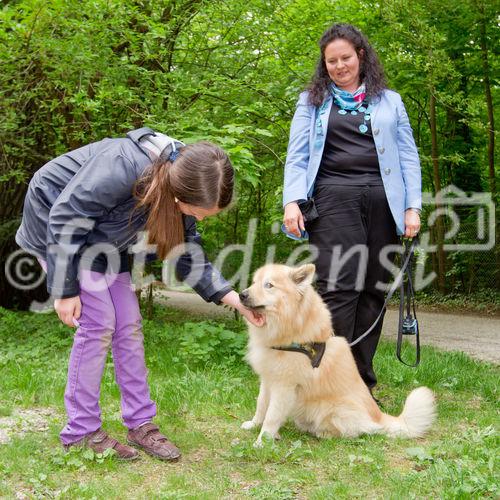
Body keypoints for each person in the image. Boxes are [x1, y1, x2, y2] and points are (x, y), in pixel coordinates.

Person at [16, 127, 264, 461]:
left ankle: (140, 423)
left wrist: (234, 299)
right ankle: (81, 432)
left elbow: (186, 253)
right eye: (198, 212)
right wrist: (64, 289)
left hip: (104, 241)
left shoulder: (179, 183)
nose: (201, 218)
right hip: (58, 227)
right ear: (180, 195)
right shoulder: (123, 165)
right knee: (99, 322)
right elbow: (67, 216)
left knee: (129, 324)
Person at [282, 23, 421, 390]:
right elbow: (296, 157)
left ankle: (360, 383)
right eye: (331, 61)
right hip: (332, 200)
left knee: (374, 289)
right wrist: (292, 201)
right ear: (324, 64)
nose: (339, 66)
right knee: (337, 288)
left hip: (384, 203)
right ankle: (324, 381)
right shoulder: (311, 102)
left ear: (361, 56)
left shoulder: (391, 101)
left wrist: (413, 207)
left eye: (346, 58)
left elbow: (408, 158)